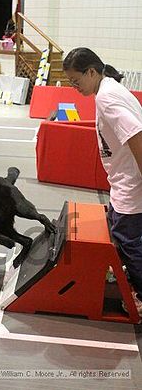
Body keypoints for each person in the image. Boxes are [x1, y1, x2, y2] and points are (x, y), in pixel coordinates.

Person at [63, 47, 142, 317]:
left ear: (92, 71)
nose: (75, 87)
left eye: (76, 81)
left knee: (129, 241)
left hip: (131, 184)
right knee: (124, 236)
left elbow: (136, 134)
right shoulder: (110, 88)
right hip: (125, 179)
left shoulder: (107, 97)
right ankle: (128, 278)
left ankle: (141, 296)